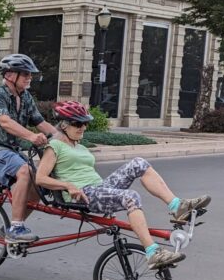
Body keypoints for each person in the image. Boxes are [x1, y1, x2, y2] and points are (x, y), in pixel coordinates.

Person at [36, 101, 211, 269]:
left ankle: (177, 206)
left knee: (139, 163)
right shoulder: (55, 146)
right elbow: (40, 178)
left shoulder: (80, 147)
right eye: (78, 124)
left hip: (99, 188)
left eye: (85, 123)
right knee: (131, 197)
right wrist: (68, 185)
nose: (83, 127)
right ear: (64, 125)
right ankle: (153, 253)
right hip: (83, 194)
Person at [0, 54, 61, 244]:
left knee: (39, 183)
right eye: (25, 74)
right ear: (10, 75)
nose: (29, 77)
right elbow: (4, 121)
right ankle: (16, 227)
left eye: (30, 74)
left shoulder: (26, 96)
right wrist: (30, 136)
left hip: (10, 149)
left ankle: (12, 226)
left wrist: (63, 141)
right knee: (25, 171)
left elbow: (40, 122)